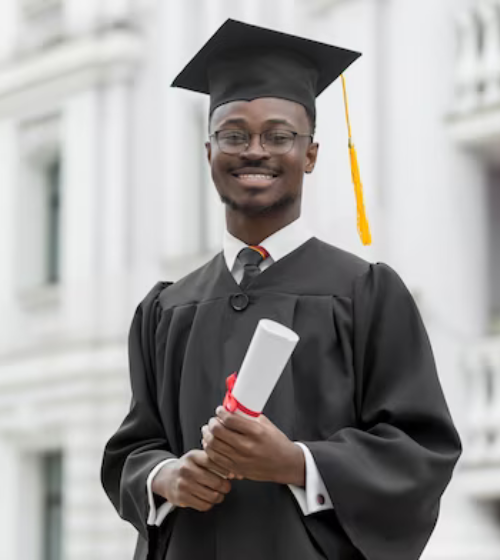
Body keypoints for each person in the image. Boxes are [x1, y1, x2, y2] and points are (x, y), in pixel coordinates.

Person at [100, 19, 461, 560]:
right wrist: (165, 477)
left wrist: (297, 463)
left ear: (310, 154)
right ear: (208, 152)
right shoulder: (166, 309)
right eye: (233, 135)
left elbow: (420, 451)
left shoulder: (366, 294)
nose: (254, 151)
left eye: (278, 136)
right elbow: (133, 448)